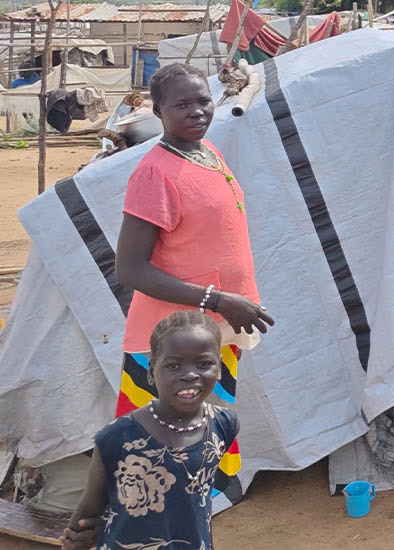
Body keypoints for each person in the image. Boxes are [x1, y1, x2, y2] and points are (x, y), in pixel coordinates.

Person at [112, 62, 272, 509]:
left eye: (203, 101)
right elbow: (131, 269)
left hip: (215, 332)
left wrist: (226, 307)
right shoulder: (154, 173)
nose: (196, 112)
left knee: (206, 428)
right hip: (165, 342)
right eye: (182, 104)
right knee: (152, 449)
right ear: (158, 109)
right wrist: (216, 298)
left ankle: (198, 513)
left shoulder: (208, 153)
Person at [60, 312, 239, 550]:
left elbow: (197, 506)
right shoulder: (117, 438)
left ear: (218, 368)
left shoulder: (224, 424)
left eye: (204, 363)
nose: (190, 374)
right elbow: (88, 510)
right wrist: (78, 538)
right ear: (151, 370)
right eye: (173, 365)